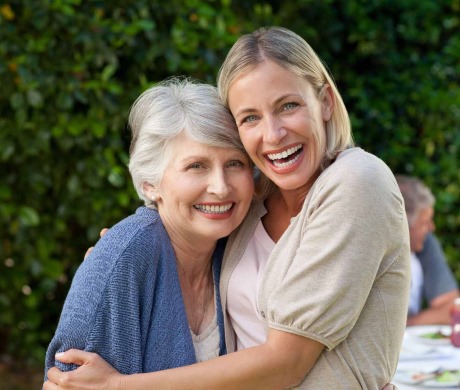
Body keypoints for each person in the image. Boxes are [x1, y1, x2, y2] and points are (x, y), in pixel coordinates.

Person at [45, 26, 410, 389]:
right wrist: (121, 256)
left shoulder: (358, 180)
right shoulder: (253, 205)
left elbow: (286, 363)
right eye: (250, 117)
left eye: (288, 106)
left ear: (326, 102)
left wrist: (121, 386)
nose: (273, 134)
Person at [43, 78, 254, 378]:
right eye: (196, 166)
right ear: (149, 183)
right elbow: (68, 381)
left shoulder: (241, 245)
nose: (221, 187)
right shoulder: (125, 259)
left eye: (235, 163)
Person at [396, 174, 459, 326]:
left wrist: (402, 328)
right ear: (404, 224)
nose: (431, 228)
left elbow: (450, 308)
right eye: (425, 222)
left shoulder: (424, 243)